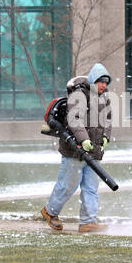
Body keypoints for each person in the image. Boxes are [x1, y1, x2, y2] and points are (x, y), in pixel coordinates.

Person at [41, 63, 112, 233]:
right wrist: (84, 140)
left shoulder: (104, 98)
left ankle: (88, 221)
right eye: (101, 81)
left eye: (106, 82)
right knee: (68, 185)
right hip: (75, 150)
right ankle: (50, 212)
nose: (103, 85)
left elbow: (107, 120)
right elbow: (75, 120)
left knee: (90, 187)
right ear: (93, 79)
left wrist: (105, 137)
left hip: (93, 151)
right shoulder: (79, 95)